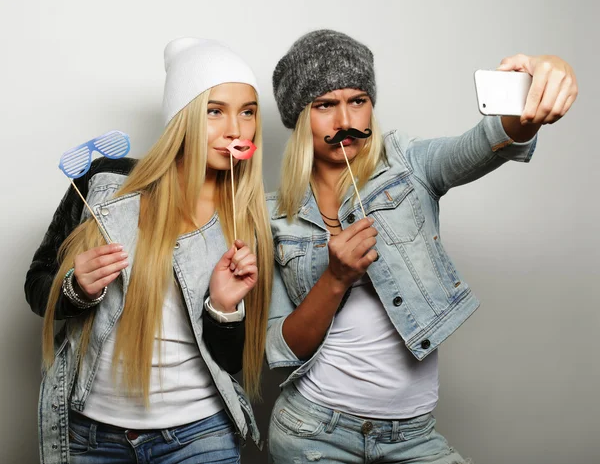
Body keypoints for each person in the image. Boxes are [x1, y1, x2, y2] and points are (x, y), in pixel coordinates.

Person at [266, 29, 577, 463]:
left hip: (413, 435)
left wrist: (537, 94)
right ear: (300, 118)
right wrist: (335, 278)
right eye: (324, 106)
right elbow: (280, 348)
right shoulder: (273, 217)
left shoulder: (409, 165)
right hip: (312, 431)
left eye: (358, 100)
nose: (345, 123)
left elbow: (484, 143)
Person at [24, 37, 273, 464]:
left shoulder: (248, 216)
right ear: (182, 117)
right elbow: (36, 287)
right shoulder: (104, 185)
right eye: (215, 111)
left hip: (200, 437)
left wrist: (224, 308)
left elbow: (231, 360)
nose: (236, 129)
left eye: (247, 112)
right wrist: (77, 289)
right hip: (92, 438)